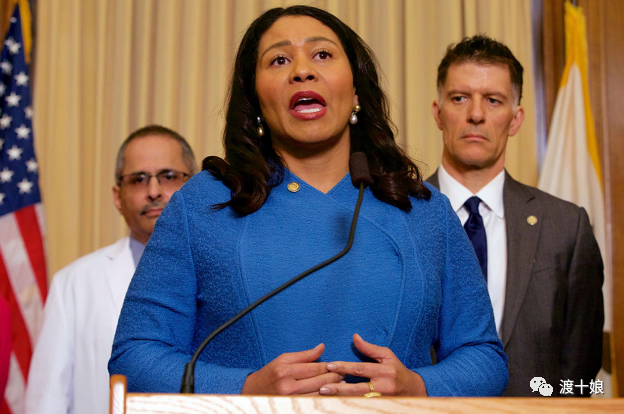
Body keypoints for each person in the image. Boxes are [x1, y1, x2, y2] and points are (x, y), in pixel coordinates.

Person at [109, 6, 507, 397]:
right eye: (279, 60)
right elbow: (135, 356)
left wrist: (418, 387)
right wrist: (245, 389)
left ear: (356, 89)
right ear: (255, 98)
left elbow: (484, 359)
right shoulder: (203, 205)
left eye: (322, 54)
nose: (302, 70)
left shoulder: (424, 211)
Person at [427, 35, 604, 396]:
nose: (476, 114)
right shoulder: (397, 214)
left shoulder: (567, 227)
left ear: (515, 118)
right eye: (460, 98)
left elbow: (580, 370)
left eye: (493, 100)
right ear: (438, 112)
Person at [25, 125, 197, 414]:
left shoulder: (226, 274)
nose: (153, 191)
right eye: (138, 179)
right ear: (118, 197)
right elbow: (47, 400)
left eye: (168, 176)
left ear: (194, 188)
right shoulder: (73, 283)